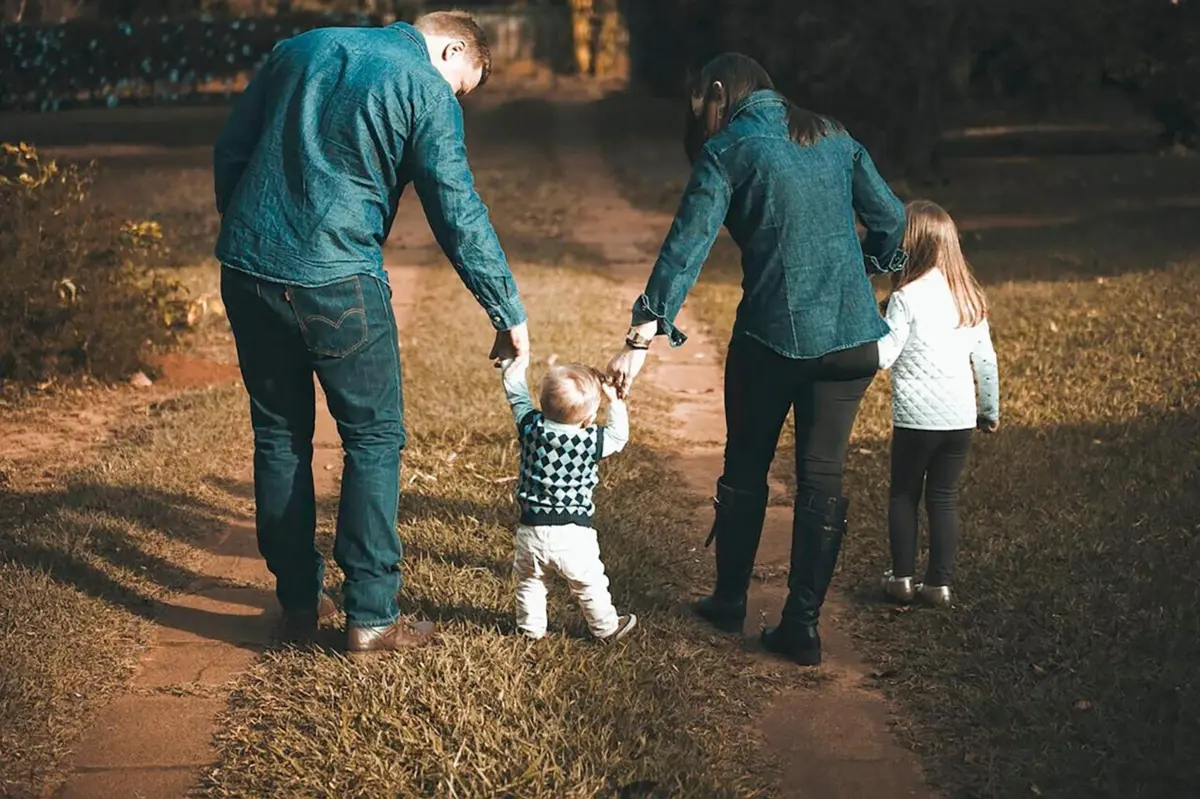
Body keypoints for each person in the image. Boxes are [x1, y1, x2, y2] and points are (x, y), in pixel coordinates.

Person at [213, 11, 530, 656]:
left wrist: (252, 236)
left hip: (247, 270)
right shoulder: (424, 87)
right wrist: (506, 311)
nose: (455, 99)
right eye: (462, 85)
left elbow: (232, 149)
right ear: (453, 47)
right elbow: (457, 210)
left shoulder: (299, 48)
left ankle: (298, 604)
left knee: (279, 435)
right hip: (338, 280)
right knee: (374, 439)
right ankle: (373, 614)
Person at [607, 53, 907, 666]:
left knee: (746, 465)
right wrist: (869, 269)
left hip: (772, 340)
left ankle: (728, 601)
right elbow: (894, 221)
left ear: (719, 92)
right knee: (822, 475)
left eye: (703, 108)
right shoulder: (833, 133)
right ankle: (802, 627)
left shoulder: (730, 149)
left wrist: (640, 340)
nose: (705, 122)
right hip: (853, 341)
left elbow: (683, 251)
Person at [877, 200, 1000, 609]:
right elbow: (985, 361)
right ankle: (939, 586)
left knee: (904, 495)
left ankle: (902, 580)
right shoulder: (969, 298)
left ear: (909, 246)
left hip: (915, 420)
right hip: (959, 419)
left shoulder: (906, 298)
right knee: (944, 497)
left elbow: (884, 356)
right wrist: (989, 411)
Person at [500, 357, 638, 642]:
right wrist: (615, 402)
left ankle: (530, 630)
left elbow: (517, 398)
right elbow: (619, 437)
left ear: (543, 404)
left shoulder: (531, 428)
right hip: (574, 534)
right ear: (588, 419)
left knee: (530, 583)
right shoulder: (591, 440)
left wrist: (512, 367)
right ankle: (606, 628)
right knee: (589, 584)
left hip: (531, 531)